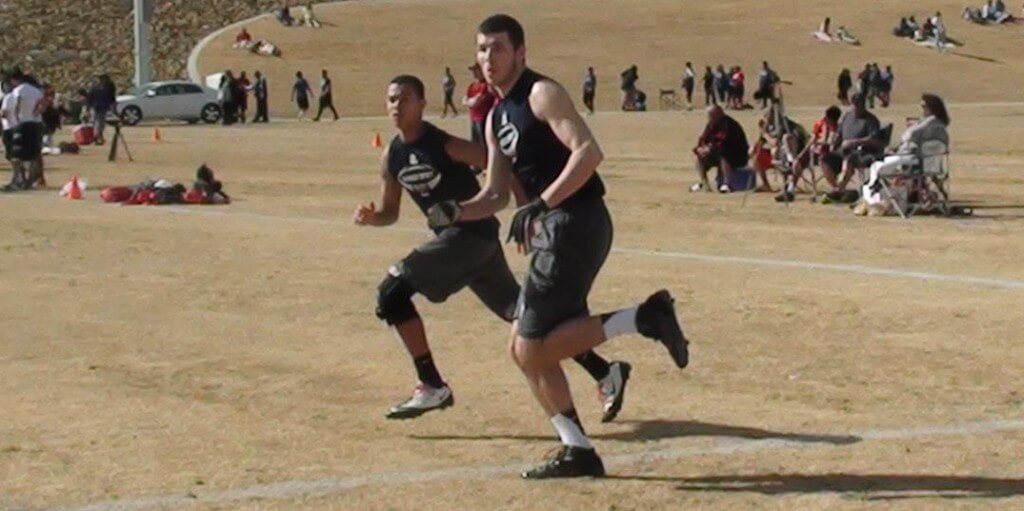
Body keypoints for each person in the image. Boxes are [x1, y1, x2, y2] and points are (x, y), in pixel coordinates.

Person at [426, 14, 689, 479]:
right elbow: (495, 195)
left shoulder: (541, 94)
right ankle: (577, 448)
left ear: (521, 52)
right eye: (483, 49)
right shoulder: (494, 118)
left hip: (579, 220)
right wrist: (456, 211)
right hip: (556, 227)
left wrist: (542, 204)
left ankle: (644, 317)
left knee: (532, 350)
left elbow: (588, 153)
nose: (489, 58)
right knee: (520, 347)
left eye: (499, 48)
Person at [354, 75, 633, 423]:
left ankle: (431, 384)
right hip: (470, 247)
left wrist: (525, 206)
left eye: (405, 99)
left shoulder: (445, 144)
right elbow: (389, 212)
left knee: (392, 294)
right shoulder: (391, 156)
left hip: (469, 237)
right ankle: (605, 371)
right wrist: (371, 217)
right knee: (528, 318)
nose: (397, 106)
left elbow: (500, 165)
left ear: (422, 104)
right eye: (392, 99)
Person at [861, 94, 949, 206]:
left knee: (877, 165)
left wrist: (913, 127)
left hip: (913, 160)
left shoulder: (932, 120)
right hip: (923, 161)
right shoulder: (937, 123)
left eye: (924, 106)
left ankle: (872, 196)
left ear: (931, 107)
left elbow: (909, 135)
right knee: (881, 162)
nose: (922, 109)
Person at [822, 93, 884, 198]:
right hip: (843, 150)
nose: (856, 107)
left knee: (848, 160)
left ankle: (839, 190)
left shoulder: (871, 120)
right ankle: (837, 188)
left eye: (859, 104)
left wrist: (855, 142)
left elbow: (874, 140)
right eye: (854, 104)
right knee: (824, 160)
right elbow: (839, 134)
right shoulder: (847, 117)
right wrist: (834, 143)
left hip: (861, 152)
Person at [776, 105, 841, 202]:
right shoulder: (820, 124)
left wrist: (826, 136)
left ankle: (837, 190)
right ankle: (790, 191)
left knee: (823, 160)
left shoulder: (837, 129)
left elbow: (832, 144)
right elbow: (812, 140)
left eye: (826, 117)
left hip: (827, 155)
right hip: (813, 153)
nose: (823, 118)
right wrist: (802, 154)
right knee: (797, 163)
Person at [2, 68, 45, 191]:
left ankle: (20, 179)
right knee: (33, 154)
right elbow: (43, 104)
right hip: (35, 123)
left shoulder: (17, 91)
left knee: (18, 154)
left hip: (22, 124)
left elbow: (16, 104)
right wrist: (35, 113)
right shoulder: (35, 90)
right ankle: (30, 180)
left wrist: (17, 117)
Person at [690, 105, 750, 193]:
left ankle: (727, 184)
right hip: (717, 153)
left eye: (711, 115)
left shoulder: (728, 124)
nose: (709, 117)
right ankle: (705, 183)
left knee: (722, 153)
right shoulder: (711, 124)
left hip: (737, 156)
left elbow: (722, 141)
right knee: (698, 157)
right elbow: (703, 138)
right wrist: (700, 149)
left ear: (719, 114)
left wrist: (709, 149)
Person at [462, 63, 495, 156]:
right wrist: (470, 101)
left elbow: (475, 102)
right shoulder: (473, 85)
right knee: (475, 142)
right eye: (473, 71)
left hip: (483, 117)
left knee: (484, 143)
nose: (474, 73)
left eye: (476, 70)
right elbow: (464, 100)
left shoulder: (486, 85)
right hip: (474, 118)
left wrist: (470, 101)